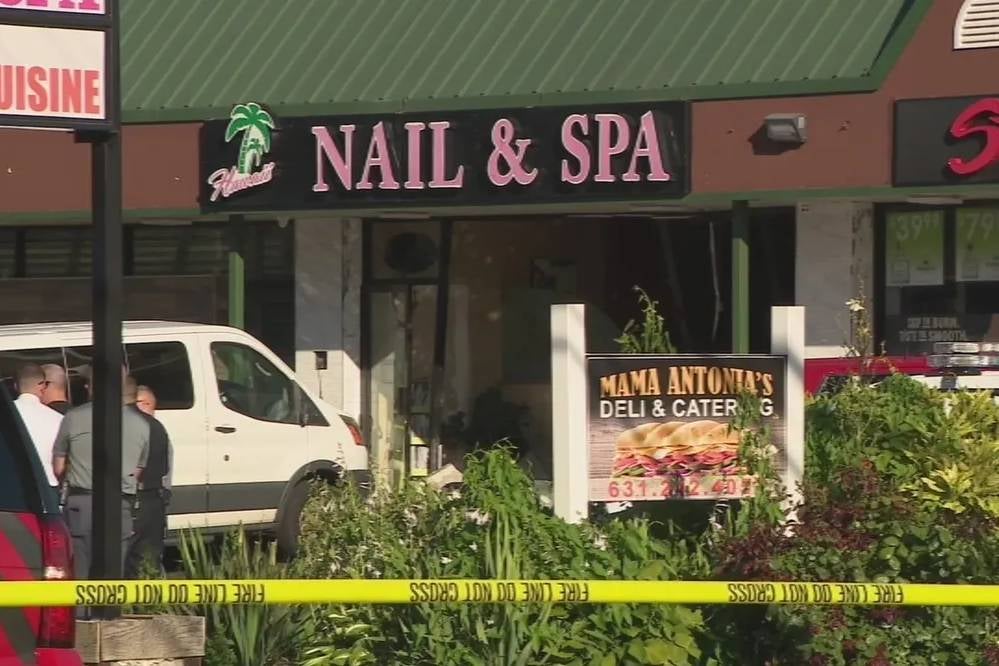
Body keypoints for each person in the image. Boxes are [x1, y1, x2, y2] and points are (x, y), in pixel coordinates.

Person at [52, 367, 149, 583]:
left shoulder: (73, 417)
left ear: (93, 387)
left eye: (88, 383)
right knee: (113, 574)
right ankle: (109, 615)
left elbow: (58, 467)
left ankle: (82, 616)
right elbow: (139, 472)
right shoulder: (141, 424)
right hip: (119, 504)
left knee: (80, 572)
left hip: (81, 503)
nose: (85, 386)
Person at [124, 381, 172, 578]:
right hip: (153, 500)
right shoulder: (157, 427)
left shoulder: (126, 425)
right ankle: (149, 605)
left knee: (123, 562)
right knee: (148, 564)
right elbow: (166, 469)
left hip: (131, 499)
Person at [13, 363, 63, 491]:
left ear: (15, 386)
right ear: (43, 386)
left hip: (9, 487)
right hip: (48, 487)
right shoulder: (58, 419)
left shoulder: (6, 415)